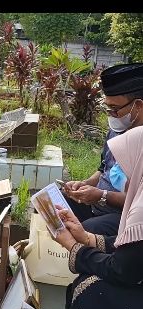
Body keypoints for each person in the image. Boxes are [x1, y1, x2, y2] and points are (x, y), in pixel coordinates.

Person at [52, 125, 143, 309]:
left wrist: (74, 247)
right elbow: (134, 249)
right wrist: (87, 238)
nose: (119, 174)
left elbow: (121, 270)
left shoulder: (139, 210)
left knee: (91, 292)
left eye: (126, 166)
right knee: (88, 282)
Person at [63, 63, 143, 236]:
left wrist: (101, 195)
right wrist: (83, 185)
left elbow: (137, 202)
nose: (111, 115)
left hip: (124, 215)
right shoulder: (116, 130)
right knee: (51, 206)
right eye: (108, 108)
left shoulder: (140, 143)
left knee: (84, 231)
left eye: (115, 109)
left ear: (138, 105)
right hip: (97, 203)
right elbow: (104, 169)